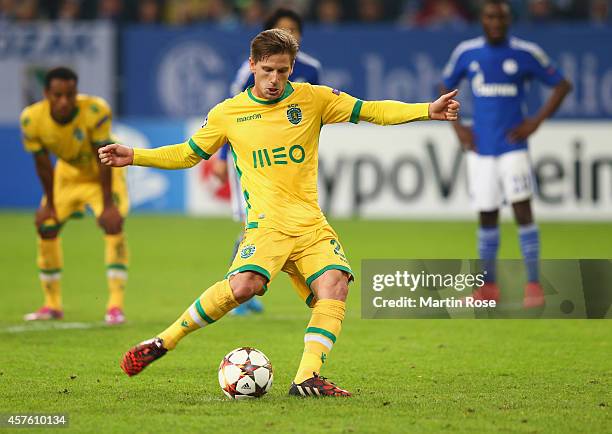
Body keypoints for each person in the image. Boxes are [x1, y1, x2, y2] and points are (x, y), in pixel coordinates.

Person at [99, 29, 459, 397]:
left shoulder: (313, 99)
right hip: (266, 227)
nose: (275, 80)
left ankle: (306, 378)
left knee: (335, 283)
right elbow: (189, 153)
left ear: (292, 69)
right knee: (244, 287)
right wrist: (136, 156)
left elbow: (371, 110)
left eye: (283, 71)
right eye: (268, 70)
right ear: (252, 65)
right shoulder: (229, 113)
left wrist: (426, 110)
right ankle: (164, 341)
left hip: (310, 226)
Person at [440, 0, 571, 308]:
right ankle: (488, 287)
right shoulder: (466, 53)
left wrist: (535, 121)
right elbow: (444, 85)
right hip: (481, 148)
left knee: (522, 212)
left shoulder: (525, 53)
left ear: (509, 20)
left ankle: (534, 285)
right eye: (490, 17)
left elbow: (562, 84)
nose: (495, 22)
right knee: (487, 215)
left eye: (500, 17)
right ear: (482, 20)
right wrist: (458, 128)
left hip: (513, 147)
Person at [213, 7, 322, 316]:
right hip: (253, 158)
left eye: (293, 30)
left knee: (285, 226)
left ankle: (249, 285)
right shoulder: (251, 70)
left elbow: (313, 115)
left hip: (290, 164)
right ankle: (238, 287)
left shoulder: (311, 70)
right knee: (254, 224)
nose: (288, 35)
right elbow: (232, 115)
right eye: (282, 29)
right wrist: (222, 156)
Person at [20, 66, 129, 324]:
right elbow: (43, 163)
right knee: (46, 226)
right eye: (57, 95)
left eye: (70, 95)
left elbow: (102, 156)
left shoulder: (95, 111)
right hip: (67, 177)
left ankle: (115, 306)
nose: (64, 101)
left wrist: (106, 204)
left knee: (113, 225)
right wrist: (49, 203)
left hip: (102, 176)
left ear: (75, 92)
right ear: (46, 93)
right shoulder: (31, 119)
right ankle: (52, 304)